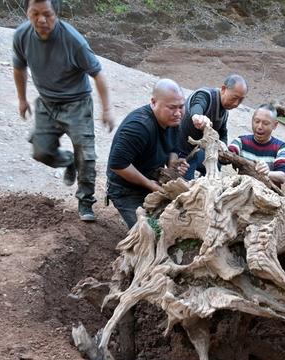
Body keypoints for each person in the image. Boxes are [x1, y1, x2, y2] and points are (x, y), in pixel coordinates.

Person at [13, 0, 114, 221]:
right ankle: (68, 161)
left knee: (86, 157)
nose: (41, 20)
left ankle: (85, 202)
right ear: (27, 12)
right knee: (41, 152)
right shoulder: (21, 35)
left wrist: (106, 109)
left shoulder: (72, 40)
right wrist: (22, 99)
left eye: (47, 14)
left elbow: (98, 73)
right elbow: (19, 67)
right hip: (47, 103)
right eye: (35, 13)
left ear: (56, 13)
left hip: (77, 104)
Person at [106, 79, 188, 228]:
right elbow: (117, 164)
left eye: (181, 107)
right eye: (172, 107)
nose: (178, 113)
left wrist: (174, 165)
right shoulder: (139, 127)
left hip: (152, 181)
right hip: (126, 189)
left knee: (181, 220)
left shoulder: (173, 120)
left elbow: (174, 149)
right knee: (152, 232)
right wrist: (150, 185)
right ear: (154, 102)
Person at [178, 75, 248, 180]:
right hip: (180, 153)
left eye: (240, 100)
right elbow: (198, 104)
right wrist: (198, 116)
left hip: (196, 153)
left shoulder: (224, 113)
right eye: (234, 98)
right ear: (224, 89)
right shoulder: (206, 95)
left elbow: (223, 133)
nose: (236, 104)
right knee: (186, 187)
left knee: (216, 164)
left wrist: (223, 147)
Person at [228, 104, 285, 186]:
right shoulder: (240, 142)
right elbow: (227, 156)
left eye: (265, 123)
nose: (259, 127)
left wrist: (267, 173)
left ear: (275, 125)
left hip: (268, 195)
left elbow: (282, 176)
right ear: (252, 120)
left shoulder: (281, 148)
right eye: (257, 121)